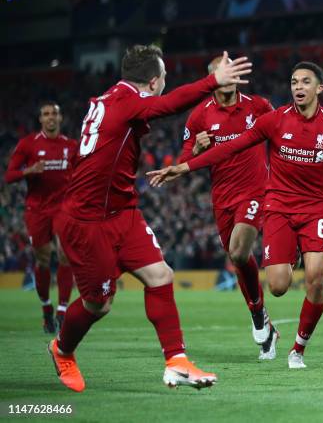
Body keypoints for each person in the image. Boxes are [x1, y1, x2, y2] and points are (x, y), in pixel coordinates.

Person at [147, 61, 323, 369]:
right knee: (277, 286)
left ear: (319, 88)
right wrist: (185, 165)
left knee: (315, 280)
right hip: (278, 208)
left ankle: (298, 349)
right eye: (293, 82)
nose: (298, 87)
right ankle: (287, 262)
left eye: (305, 82)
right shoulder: (274, 121)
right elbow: (232, 147)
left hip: (315, 208)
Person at [48, 45, 252, 392]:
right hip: (87, 219)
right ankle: (62, 349)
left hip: (121, 211)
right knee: (99, 303)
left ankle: (176, 362)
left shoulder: (115, 98)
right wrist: (211, 81)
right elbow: (167, 106)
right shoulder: (125, 99)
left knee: (160, 275)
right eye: (165, 80)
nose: (165, 86)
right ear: (154, 81)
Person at [180, 55, 277, 359]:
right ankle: (260, 315)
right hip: (221, 197)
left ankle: (259, 314)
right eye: (221, 73)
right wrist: (196, 149)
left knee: (238, 251)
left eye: (232, 72)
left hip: (255, 190)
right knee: (239, 257)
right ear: (213, 79)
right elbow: (185, 160)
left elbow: (280, 138)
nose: (228, 77)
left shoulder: (258, 106)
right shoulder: (199, 117)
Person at [5, 101, 77, 333]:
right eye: (46, 114)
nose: (51, 118)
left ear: (60, 118)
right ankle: (47, 307)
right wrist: (29, 170)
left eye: (54, 113)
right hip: (37, 210)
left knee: (66, 255)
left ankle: (63, 310)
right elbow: (9, 176)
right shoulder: (28, 144)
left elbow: (83, 174)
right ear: (40, 119)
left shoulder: (71, 146)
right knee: (43, 259)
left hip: (64, 209)